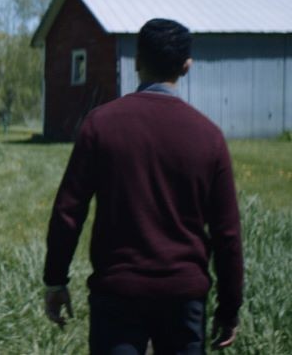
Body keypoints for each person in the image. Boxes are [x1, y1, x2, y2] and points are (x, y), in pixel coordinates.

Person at [42, 18, 243, 354]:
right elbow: (228, 235)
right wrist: (229, 308)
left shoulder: (100, 125)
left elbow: (68, 212)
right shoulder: (209, 137)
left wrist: (56, 279)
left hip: (118, 293)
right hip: (184, 297)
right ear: (186, 66)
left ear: (137, 61)